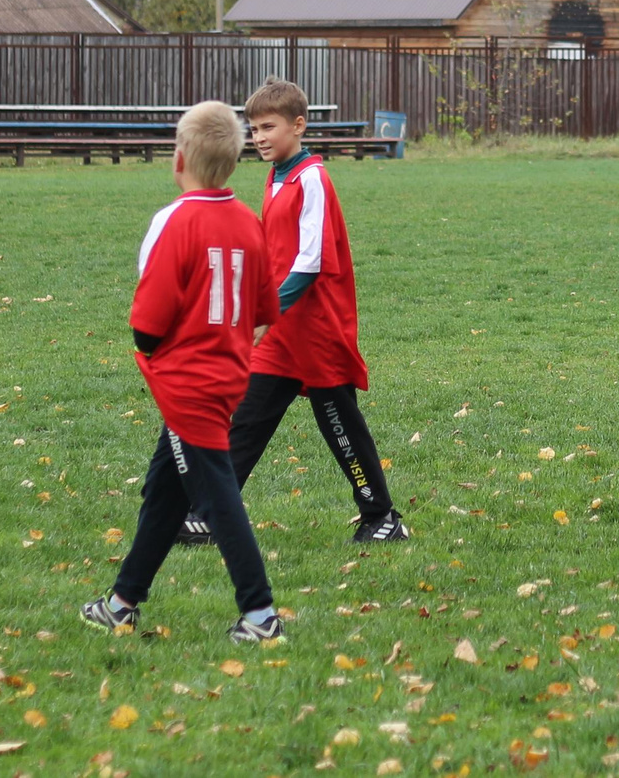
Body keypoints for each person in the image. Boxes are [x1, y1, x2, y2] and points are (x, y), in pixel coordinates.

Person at [81, 102, 286, 642]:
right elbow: (266, 311)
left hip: (186, 382)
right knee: (165, 490)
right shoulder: (248, 221)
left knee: (217, 497)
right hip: (226, 376)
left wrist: (161, 350)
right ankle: (123, 601)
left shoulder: (173, 220)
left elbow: (148, 321)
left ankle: (260, 614)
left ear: (178, 159)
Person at [180, 78, 407, 548]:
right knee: (247, 417)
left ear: (298, 126)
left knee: (339, 421)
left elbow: (309, 260)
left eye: (269, 126)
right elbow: (276, 252)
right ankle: (207, 514)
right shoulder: (276, 176)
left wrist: (267, 312)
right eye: (254, 128)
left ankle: (383, 516)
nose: (259, 137)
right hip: (283, 333)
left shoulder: (312, 178)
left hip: (317, 328)